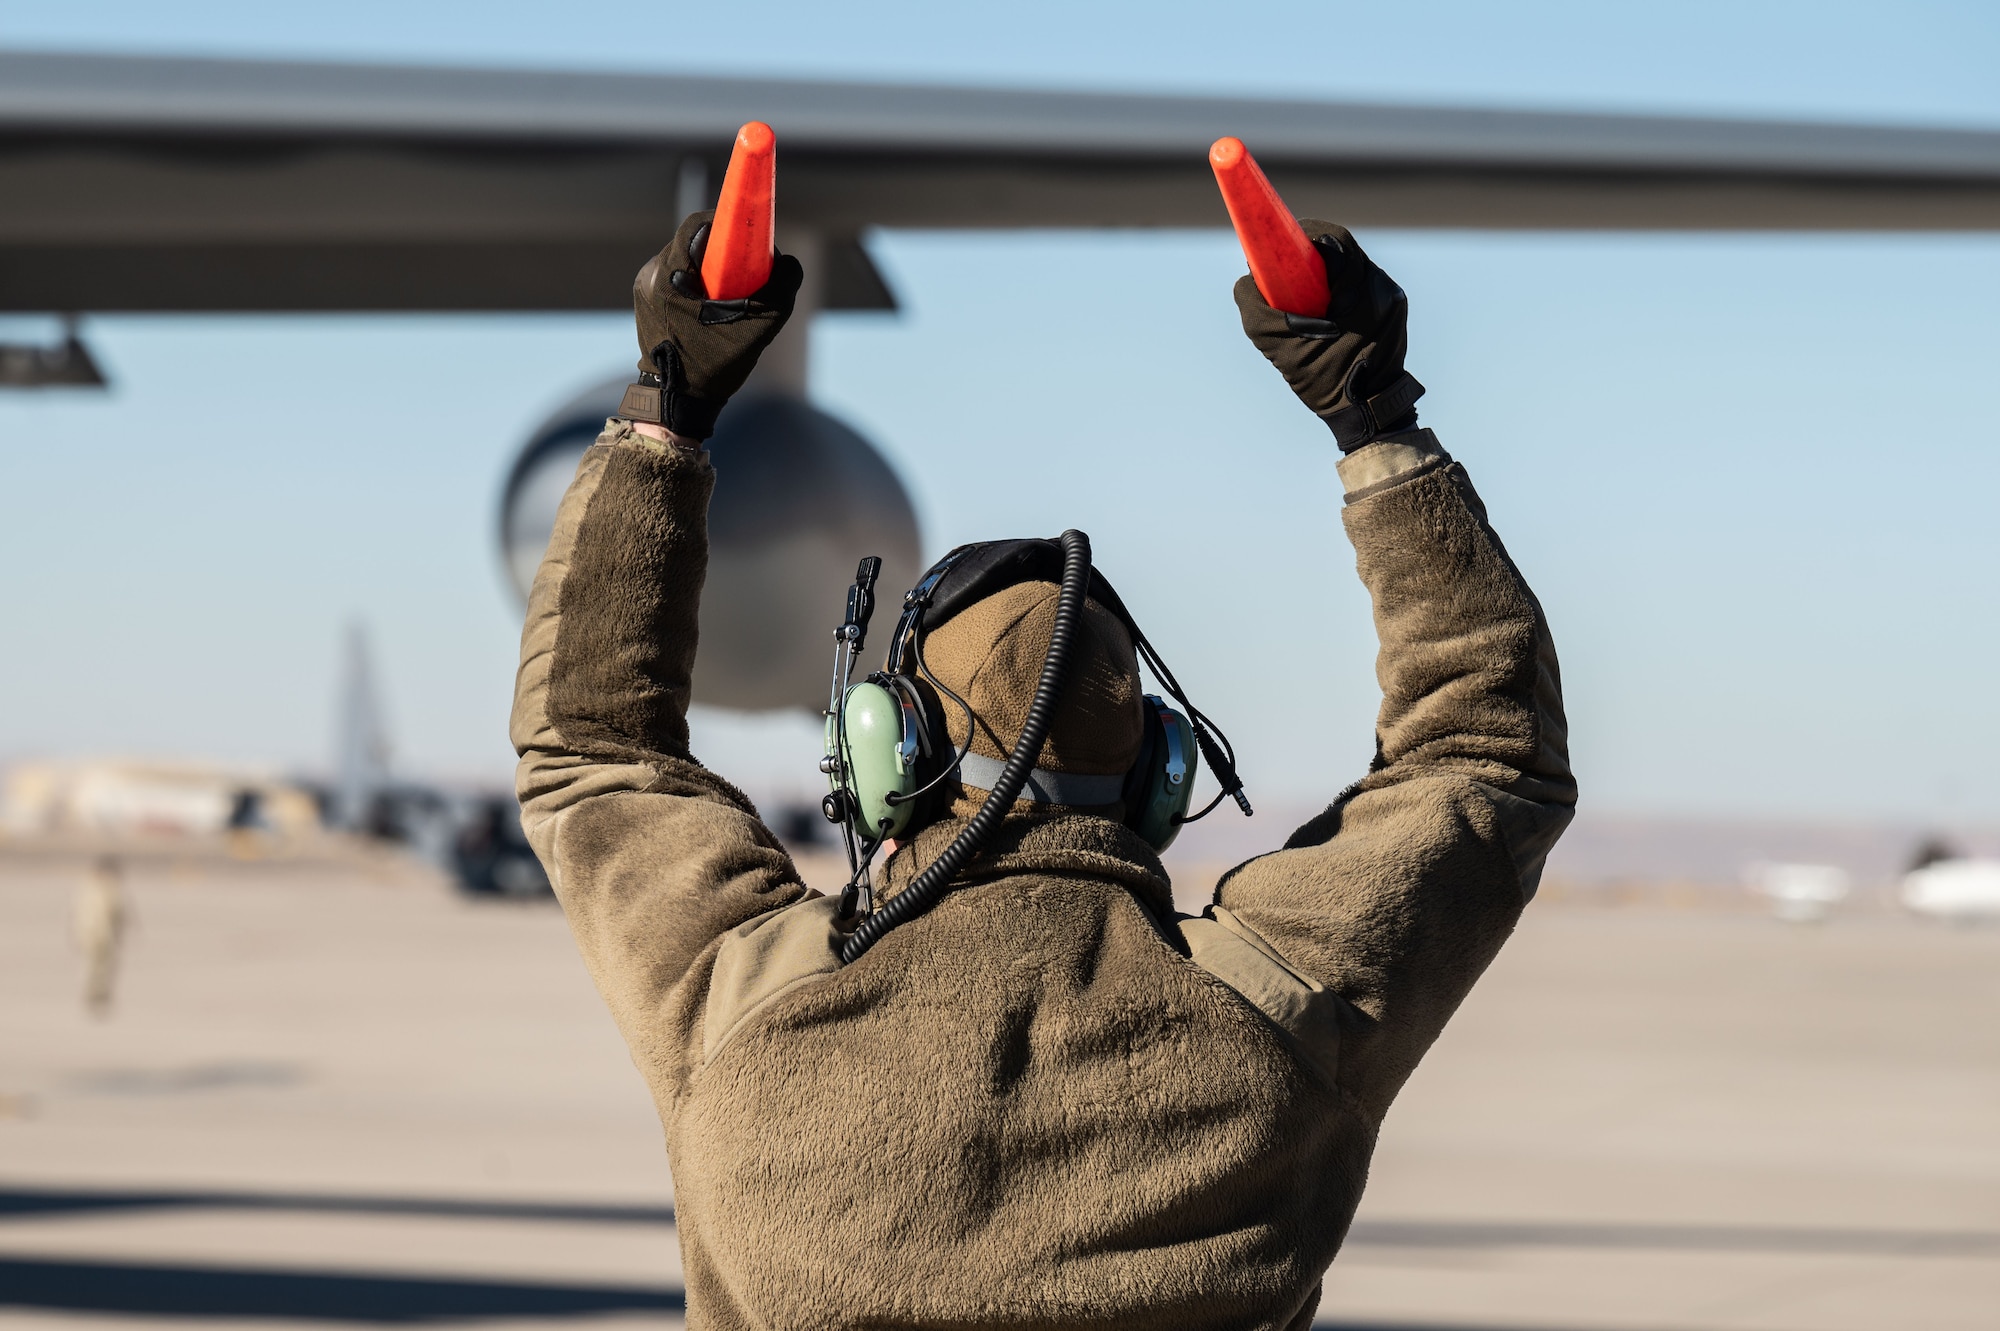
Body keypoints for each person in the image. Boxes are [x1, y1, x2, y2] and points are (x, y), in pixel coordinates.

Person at [512, 211, 1574, 1329]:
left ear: (886, 752)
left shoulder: (746, 1001)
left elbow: (590, 742)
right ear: (1158, 773)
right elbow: (1482, 751)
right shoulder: (1272, 1014)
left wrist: (663, 409)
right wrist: (1375, 417)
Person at [74, 854, 129, 1018]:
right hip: (98, 934)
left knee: (100, 968)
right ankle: (97, 998)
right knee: (99, 968)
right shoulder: (107, 888)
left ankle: (97, 997)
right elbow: (119, 914)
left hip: (94, 933)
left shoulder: (87, 887)